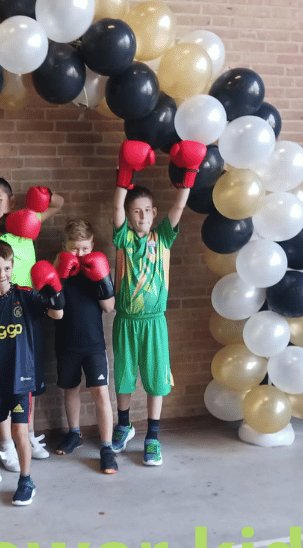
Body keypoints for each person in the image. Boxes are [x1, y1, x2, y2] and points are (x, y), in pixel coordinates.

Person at [110, 139, 207, 466]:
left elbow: (178, 208)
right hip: (126, 321)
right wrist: (125, 175)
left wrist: (190, 173)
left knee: (156, 380)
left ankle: (152, 437)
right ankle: (124, 426)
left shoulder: (162, 237)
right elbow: (116, 207)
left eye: (146, 211)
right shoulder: (123, 238)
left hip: (154, 323)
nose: (141, 216)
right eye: (135, 211)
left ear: (153, 213)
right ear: (129, 216)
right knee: (124, 377)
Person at [0, 240, 64, 506]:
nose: (2, 274)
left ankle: (26, 480)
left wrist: (54, 290)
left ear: (12, 267)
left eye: (6, 268)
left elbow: (57, 314)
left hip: (21, 376)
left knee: (20, 430)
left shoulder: (25, 295)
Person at [0, 177, 64, 464]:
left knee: (28, 376)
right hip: (0, 307)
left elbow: (59, 204)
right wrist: (8, 222)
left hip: (29, 307)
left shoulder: (27, 225)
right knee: (1, 377)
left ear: (11, 202)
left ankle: (28, 434)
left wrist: (41, 198)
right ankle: (6, 444)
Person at [52, 219, 117, 474]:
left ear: (92, 245)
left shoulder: (98, 267)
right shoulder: (57, 270)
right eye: (74, 248)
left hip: (93, 344)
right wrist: (59, 277)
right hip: (66, 342)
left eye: (85, 248)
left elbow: (109, 308)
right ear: (65, 246)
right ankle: (74, 433)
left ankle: (107, 447)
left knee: (101, 393)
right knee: (70, 390)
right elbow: (51, 310)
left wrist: (101, 279)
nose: (79, 254)